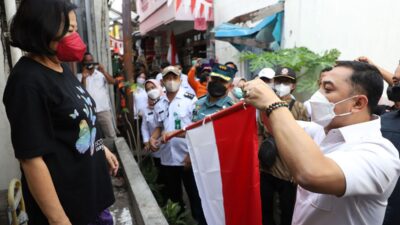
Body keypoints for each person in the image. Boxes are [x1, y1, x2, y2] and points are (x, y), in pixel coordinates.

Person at [3, 1, 119, 224]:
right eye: (70, 31)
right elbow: (31, 159)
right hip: (70, 210)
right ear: (43, 28)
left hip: (92, 199)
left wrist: (99, 147)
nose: (76, 38)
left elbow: (72, 123)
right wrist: (59, 220)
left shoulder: (60, 67)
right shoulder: (27, 82)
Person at [244, 61, 400, 225]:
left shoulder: (379, 154)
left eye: (328, 89)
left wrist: (273, 104)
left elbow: (312, 174)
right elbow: (277, 124)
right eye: (320, 86)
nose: (317, 96)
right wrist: (259, 99)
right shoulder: (321, 130)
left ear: (358, 103)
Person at [149, 66, 206, 225]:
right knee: (174, 198)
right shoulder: (159, 102)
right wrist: (153, 139)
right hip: (167, 158)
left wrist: (191, 154)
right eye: (168, 78)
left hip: (188, 157)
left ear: (181, 80)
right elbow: (158, 126)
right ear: (162, 81)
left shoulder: (191, 99)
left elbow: (197, 128)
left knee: (195, 197)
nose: (171, 81)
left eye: (174, 77)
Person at [258, 66, 308, 225]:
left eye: (286, 82)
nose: (282, 84)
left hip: (288, 171)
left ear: (293, 85)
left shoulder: (299, 107)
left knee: (287, 211)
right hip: (267, 167)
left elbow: (304, 140)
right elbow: (260, 133)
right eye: (279, 81)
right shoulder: (264, 106)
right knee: (265, 209)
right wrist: (257, 162)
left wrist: (298, 170)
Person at [78, 52, 118, 139]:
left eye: (91, 60)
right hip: (89, 112)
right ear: (83, 63)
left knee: (111, 136)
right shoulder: (80, 76)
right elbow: (82, 93)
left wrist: (104, 71)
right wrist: (84, 78)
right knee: (93, 138)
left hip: (103, 110)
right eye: (87, 61)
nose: (89, 63)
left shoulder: (100, 74)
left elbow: (113, 82)